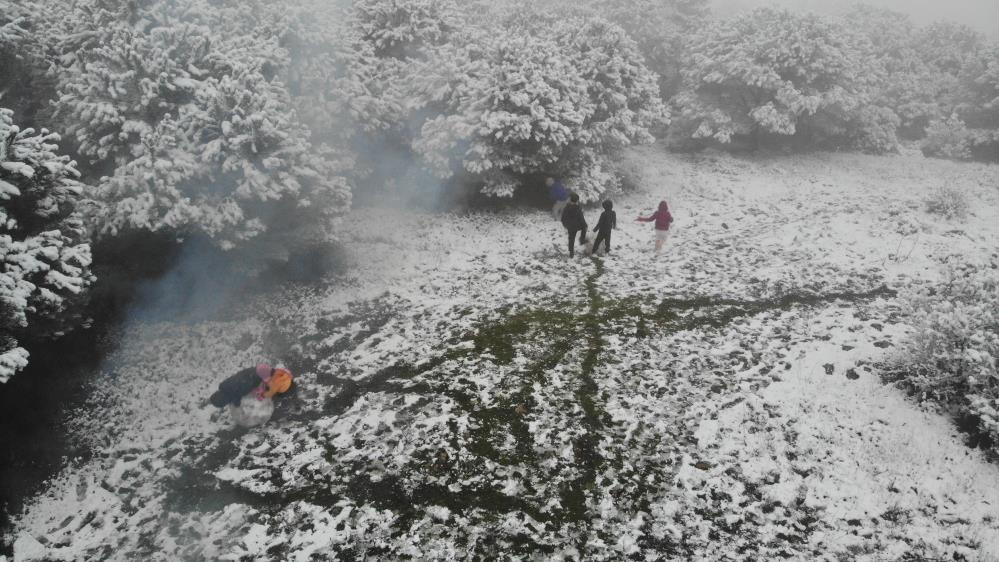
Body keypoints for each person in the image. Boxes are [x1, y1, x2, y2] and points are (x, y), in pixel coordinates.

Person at [210, 364, 293, 408]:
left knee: (268, 391)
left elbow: (241, 386)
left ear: (222, 399)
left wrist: (259, 389)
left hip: (254, 376)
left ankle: (283, 396)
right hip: (254, 378)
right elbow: (236, 393)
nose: (226, 403)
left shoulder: (228, 387)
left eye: (224, 403)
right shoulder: (226, 389)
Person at [561, 193, 589, 257]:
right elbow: (581, 218)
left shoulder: (566, 207)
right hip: (576, 226)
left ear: (570, 200)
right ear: (577, 201)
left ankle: (571, 252)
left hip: (570, 226)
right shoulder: (578, 208)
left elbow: (563, 218)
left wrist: (565, 225)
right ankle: (582, 240)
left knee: (571, 238)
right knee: (584, 228)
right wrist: (585, 225)